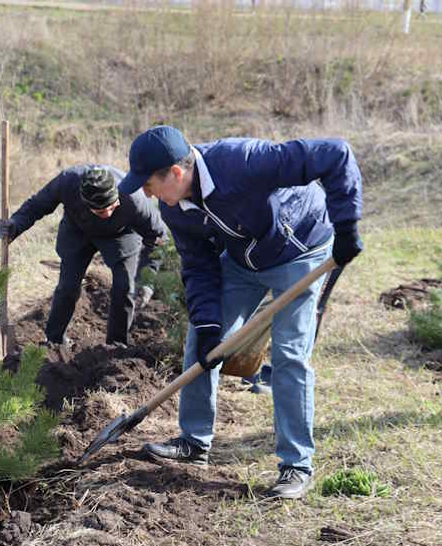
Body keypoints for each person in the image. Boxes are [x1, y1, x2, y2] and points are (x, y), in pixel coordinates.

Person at [118, 125, 363, 499]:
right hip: (242, 261)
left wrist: (346, 226)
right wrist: (210, 323)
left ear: (177, 174)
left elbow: (335, 153)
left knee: (289, 357)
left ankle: (296, 465)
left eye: (149, 185)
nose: (147, 194)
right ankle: (194, 441)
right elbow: (198, 267)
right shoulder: (176, 210)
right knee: (201, 339)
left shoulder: (242, 161)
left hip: (302, 251)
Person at [0, 165, 166, 348]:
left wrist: (147, 280)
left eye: (112, 207)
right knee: (68, 286)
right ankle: (54, 341)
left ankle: (116, 345)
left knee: (125, 286)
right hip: (78, 229)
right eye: (101, 211)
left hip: (121, 234)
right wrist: (15, 224)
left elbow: (158, 238)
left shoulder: (134, 198)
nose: (107, 214)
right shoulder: (67, 182)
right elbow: (37, 205)